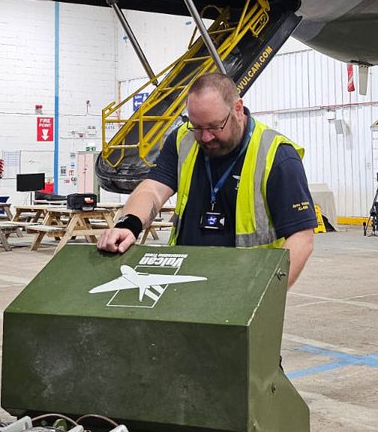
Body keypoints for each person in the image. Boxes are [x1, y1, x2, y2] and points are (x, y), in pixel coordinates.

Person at [98, 73, 316, 287]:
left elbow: (301, 239)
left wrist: (266, 297)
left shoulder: (277, 155)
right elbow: (153, 189)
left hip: (243, 287)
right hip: (181, 282)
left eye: (214, 126)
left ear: (238, 109)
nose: (205, 137)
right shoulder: (182, 140)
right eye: (197, 127)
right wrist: (129, 224)